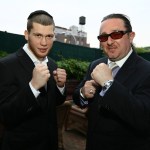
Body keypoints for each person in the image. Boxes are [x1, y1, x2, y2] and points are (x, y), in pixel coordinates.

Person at [73, 13, 150, 150]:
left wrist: (109, 84)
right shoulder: (95, 64)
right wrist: (83, 93)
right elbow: (77, 96)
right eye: (103, 37)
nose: (109, 42)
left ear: (130, 36)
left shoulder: (146, 70)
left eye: (116, 35)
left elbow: (144, 118)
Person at [0, 10, 67, 150]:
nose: (44, 42)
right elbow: (6, 116)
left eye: (49, 36)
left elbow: (55, 103)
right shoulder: (6, 65)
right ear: (26, 35)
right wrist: (33, 87)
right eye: (38, 35)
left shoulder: (52, 64)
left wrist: (60, 86)